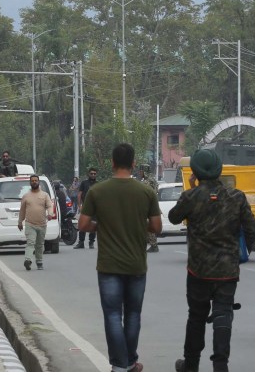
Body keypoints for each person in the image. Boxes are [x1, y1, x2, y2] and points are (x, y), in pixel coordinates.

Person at [168, 150, 255, 372]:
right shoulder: (236, 197)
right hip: (227, 270)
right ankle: (220, 365)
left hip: (198, 270)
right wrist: (243, 253)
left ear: (196, 172)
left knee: (196, 317)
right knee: (223, 313)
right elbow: (251, 229)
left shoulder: (191, 196)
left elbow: (173, 217)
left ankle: (191, 365)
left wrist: (192, 188)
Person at [78, 144, 162, 372]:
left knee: (113, 315)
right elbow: (156, 226)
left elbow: (83, 224)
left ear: (112, 163)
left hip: (109, 265)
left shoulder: (97, 191)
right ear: (134, 163)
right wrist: (137, 224)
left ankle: (119, 366)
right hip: (136, 264)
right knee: (133, 314)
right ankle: (131, 361)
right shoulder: (146, 192)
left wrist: (103, 225)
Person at [18, 174, 54, 271]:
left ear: (38, 182)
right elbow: (22, 210)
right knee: (30, 243)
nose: (34, 182)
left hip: (42, 224)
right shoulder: (26, 196)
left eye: (36, 180)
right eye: (32, 181)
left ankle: (39, 261)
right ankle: (28, 260)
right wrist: (20, 222)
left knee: (39, 244)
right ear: (30, 183)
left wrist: (50, 214)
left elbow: (50, 206)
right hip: (30, 224)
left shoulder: (45, 195)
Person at [75, 167, 99, 249]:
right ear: (88, 174)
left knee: (93, 224)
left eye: (94, 174)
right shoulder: (84, 183)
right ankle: (81, 242)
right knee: (83, 224)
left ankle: (91, 243)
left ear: (96, 174)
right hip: (85, 207)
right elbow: (79, 194)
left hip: (95, 208)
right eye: (91, 173)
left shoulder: (98, 184)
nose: (93, 175)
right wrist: (79, 205)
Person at [140, 166, 160, 253]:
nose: (140, 173)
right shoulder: (151, 179)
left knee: (148, 224)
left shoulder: (148, 181)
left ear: (144, 172)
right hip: (149, 205)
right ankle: (150, 243)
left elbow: (146, 193)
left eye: (141, 171)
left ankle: (154, 245)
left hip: (148, 205)